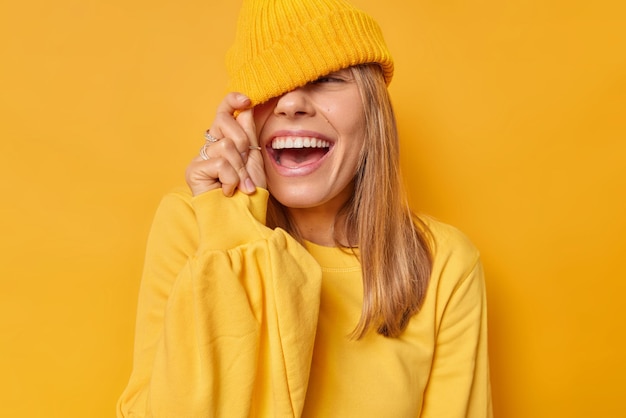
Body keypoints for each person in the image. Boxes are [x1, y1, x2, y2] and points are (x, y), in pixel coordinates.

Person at [117, 0, 493, 416]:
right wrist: (233, 229)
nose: (291, 103)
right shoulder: (193, 225)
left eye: (327, 78)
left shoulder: (444, 265)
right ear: (241, 116)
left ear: (374, 111)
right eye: (271, 84)